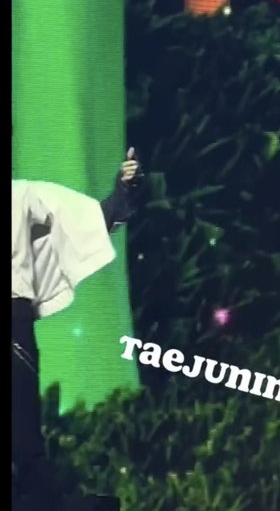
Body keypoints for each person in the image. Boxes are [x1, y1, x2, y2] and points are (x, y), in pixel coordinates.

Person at [12, 148, 141, 511]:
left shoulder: (20, 195)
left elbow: (82, 219)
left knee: (24, 435)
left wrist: (124, 191)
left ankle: (47, 499)